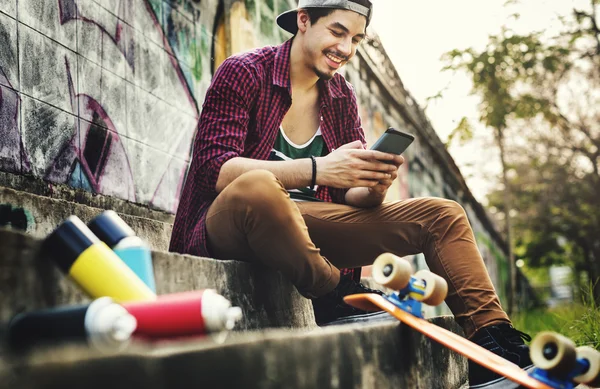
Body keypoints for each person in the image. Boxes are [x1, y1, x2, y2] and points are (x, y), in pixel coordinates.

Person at [170, 0, 532, 387]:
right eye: (338, 32)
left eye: (356, 38)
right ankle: (334, 294)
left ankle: (494, 343)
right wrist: (317, 168)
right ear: (304, 21)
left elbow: (349, 200)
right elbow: (214, 169)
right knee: (259, 187)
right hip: (230, 222)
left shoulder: (340, 94)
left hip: (305, 227)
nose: (347, 48)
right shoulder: (245, 72)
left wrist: (373, 186)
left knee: (442, 214)